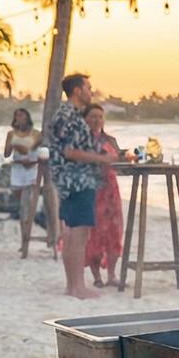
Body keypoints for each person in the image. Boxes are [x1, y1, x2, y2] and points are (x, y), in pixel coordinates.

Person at [47, 73, 120, 300]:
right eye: (88, 87)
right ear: (77, 90)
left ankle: (73, 285)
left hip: (69, 181)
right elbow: (70, 152)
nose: (91, 92)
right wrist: (103, 159)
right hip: (77, 181)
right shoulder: (70, 116)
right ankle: (77, 286)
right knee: (78, 234)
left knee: (71, 233)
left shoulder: (66, 115)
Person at [82, 104, 124, 287]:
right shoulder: (82, 141)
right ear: (85, 119)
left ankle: (112, 275)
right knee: (95, 233)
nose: (96, 120)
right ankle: (97, 276)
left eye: (100, 116)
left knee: (114, 231)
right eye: (92, 116)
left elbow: (119, 161)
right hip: (92, 189)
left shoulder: (110, 140)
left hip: (111, 189)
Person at [3, 107, 47, 258]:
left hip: (31, 169)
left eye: (21, 116)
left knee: (26, 205)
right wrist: (12, 145)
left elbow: (35, 150)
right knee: (22, 208)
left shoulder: (36, 133)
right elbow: (6, 153)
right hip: (17, 169)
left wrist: (28, 155)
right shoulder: (11, 134)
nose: (18, 119)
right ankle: (24, 238)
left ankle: (25, 241)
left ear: (27, 117)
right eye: (16, 116)